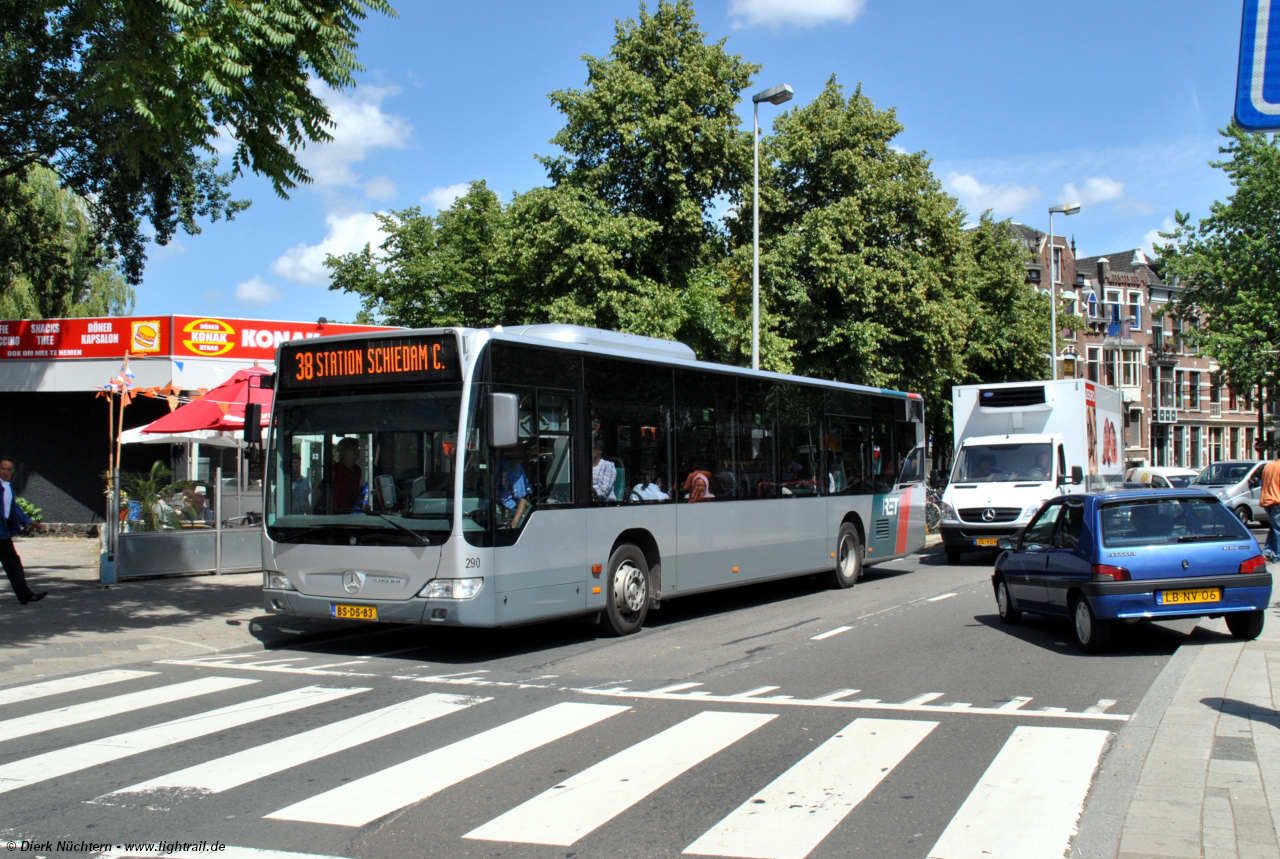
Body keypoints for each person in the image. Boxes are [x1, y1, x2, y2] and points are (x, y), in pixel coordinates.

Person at [0, 457, 46, 605]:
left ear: (13, 471)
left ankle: (25, 595)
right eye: (2, 468)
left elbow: (14, 509)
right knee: (13, 564)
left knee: (14, 565)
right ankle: (26, 595)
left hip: (3, 533)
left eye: (8, 469)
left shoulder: (8, 487)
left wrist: (31, 522)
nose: (5, 472)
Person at [496, 454, 532, 529]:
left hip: (511, 509)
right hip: (495, 507)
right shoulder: (494, 465)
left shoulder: (515, 469)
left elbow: (523, 499)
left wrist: (515, 522)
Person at [1261, 457, 1280, 562]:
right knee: (1278, 530)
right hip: (1277, 501)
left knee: (1274, 528)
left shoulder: (1268, 466)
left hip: (1267, 500)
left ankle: (1267, 551)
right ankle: (1277, 555)